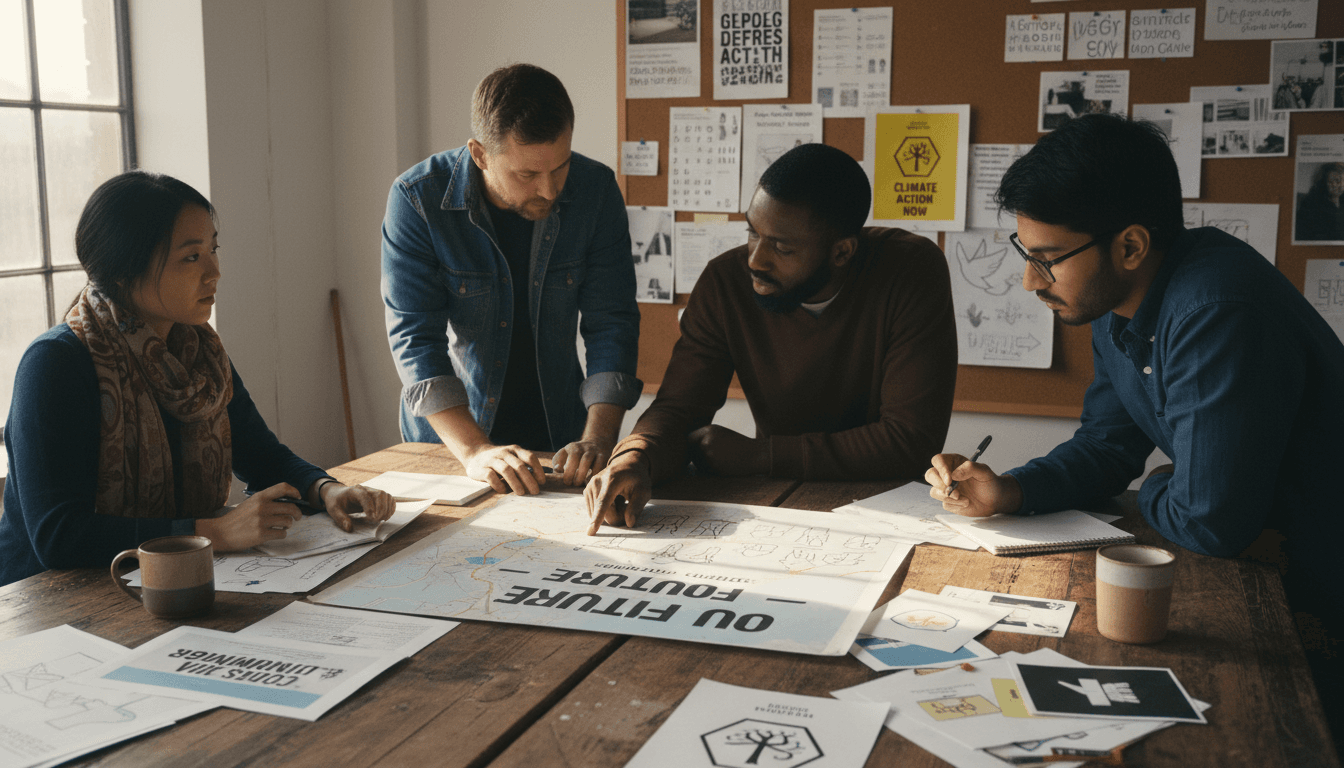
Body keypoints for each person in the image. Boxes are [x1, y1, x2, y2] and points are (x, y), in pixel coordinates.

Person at [923, 114, 1344, 737]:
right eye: (1025, 254)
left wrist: (1158, 484)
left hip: (1318, 593)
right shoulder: (1116, 301)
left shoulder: (1214, 309)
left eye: (1048, 260)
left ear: (1129, 246)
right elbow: (1107, 444)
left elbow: (1209, 520)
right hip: (1267, 568)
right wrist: (1009, 491)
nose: (1029, 281)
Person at [1, 171, 395, 587]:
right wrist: (214, 532)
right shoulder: (56, 364)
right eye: (191, 257)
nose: (214, 272)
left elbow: (261, 455)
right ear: (122, 270)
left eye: (213, 249)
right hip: (47, 599)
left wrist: (326, 490)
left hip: (170, 581)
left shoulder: (198, 352)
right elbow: (59, 536)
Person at [586, 143, 958, 532]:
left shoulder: (911, 270)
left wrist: (758, 455)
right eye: (752, 233)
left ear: (842, 253)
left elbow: (908, 439)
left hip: (889, 507)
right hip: (776, 503)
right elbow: (679, 407)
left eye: (781, 247)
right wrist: (634, 458)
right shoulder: (725, 281)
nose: (755, 260)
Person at [382, 64, 640, 497]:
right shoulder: (417, 199)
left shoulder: (595, 192)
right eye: (527, 174)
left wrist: (598, 438)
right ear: (481, 154)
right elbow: (414, 339)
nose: (550, 190)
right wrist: (475, 452)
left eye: (560, 166)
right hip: (453, 442)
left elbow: (611, 321)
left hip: (562, 437)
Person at [1295, 162, 1344, 242]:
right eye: (1330, 181)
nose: (1334, 185)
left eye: (1338, 181)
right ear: (1323, 182)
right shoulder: (1310, 205)